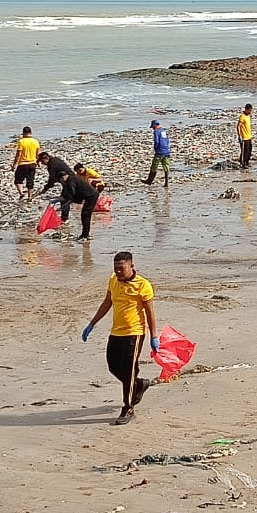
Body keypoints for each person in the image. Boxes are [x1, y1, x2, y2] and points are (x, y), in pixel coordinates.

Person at [82, 250, 159, 425]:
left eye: (121, 268)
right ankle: (139, 384)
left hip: (134, 333)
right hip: (116, 331)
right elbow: (107, 302)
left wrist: (154, 336)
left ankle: (128, 407)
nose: (118, 271)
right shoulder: (113, 280)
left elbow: (150, 312)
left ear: (131, 266)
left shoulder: (143, 285)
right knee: (113, 366)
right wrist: (92, 323)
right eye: (115, 268)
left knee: (129, 370)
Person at [38, 152, 98, 240]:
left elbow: (70, 195)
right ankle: (83, 233)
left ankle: (85, 235)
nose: (61, 183)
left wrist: (57, 199)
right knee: (81, 212)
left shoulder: (70, 182)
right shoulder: (68, 178)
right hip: (86, 195)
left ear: (62, 178)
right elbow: (70, 195)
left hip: (91, 196)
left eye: (60, 181)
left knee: (85, 214)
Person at [10, 126, 40, 200]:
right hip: (32, 163)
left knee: (18, 180)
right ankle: (30, 197)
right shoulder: (36, 141)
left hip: (22, 164)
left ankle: (21, 194)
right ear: (30, 133)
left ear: (23, 133)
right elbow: (37, 154)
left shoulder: (22, 141)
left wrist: (14, 165)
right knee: (30, 181)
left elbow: (18, 154)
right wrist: (38, 162)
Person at [143, 120, 171, 188]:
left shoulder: (156, 132)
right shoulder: (164, 131)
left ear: (155, 125)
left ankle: (149, 181)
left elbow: (157, 141)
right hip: (166, 151)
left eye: (153, 126)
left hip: (159, 151)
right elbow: (167, 141)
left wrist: (156, 149)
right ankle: (166, 183)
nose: (152, 128)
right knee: (166, 167)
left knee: (154, 166)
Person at [236, 104, 254, 168]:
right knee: (244, 151)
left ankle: (247, 162)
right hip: (244, 137)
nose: (250, 112)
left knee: (249, 151)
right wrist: (239, 136)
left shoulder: (248, 116)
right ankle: (243, 163)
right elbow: (238, 126)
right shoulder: (242, 116)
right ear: (246, 109)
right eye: (249, 110)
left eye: (251, 110)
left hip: (249, 136)